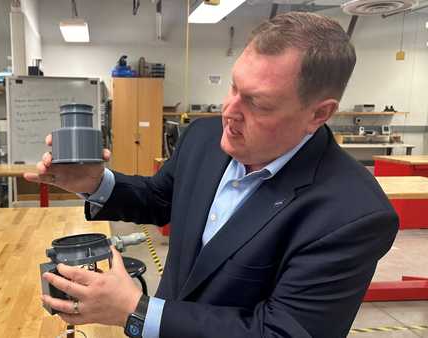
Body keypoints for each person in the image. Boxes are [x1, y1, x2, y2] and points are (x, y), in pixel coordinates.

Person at [24, 12, 398, 338]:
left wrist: (138, 310)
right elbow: (160, 198)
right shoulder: (204, 137)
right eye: (234, 88)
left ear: (318, 114)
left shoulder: (352, 215)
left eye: (257, 102)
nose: (229, 112)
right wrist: (94, 182)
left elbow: (282, 332)